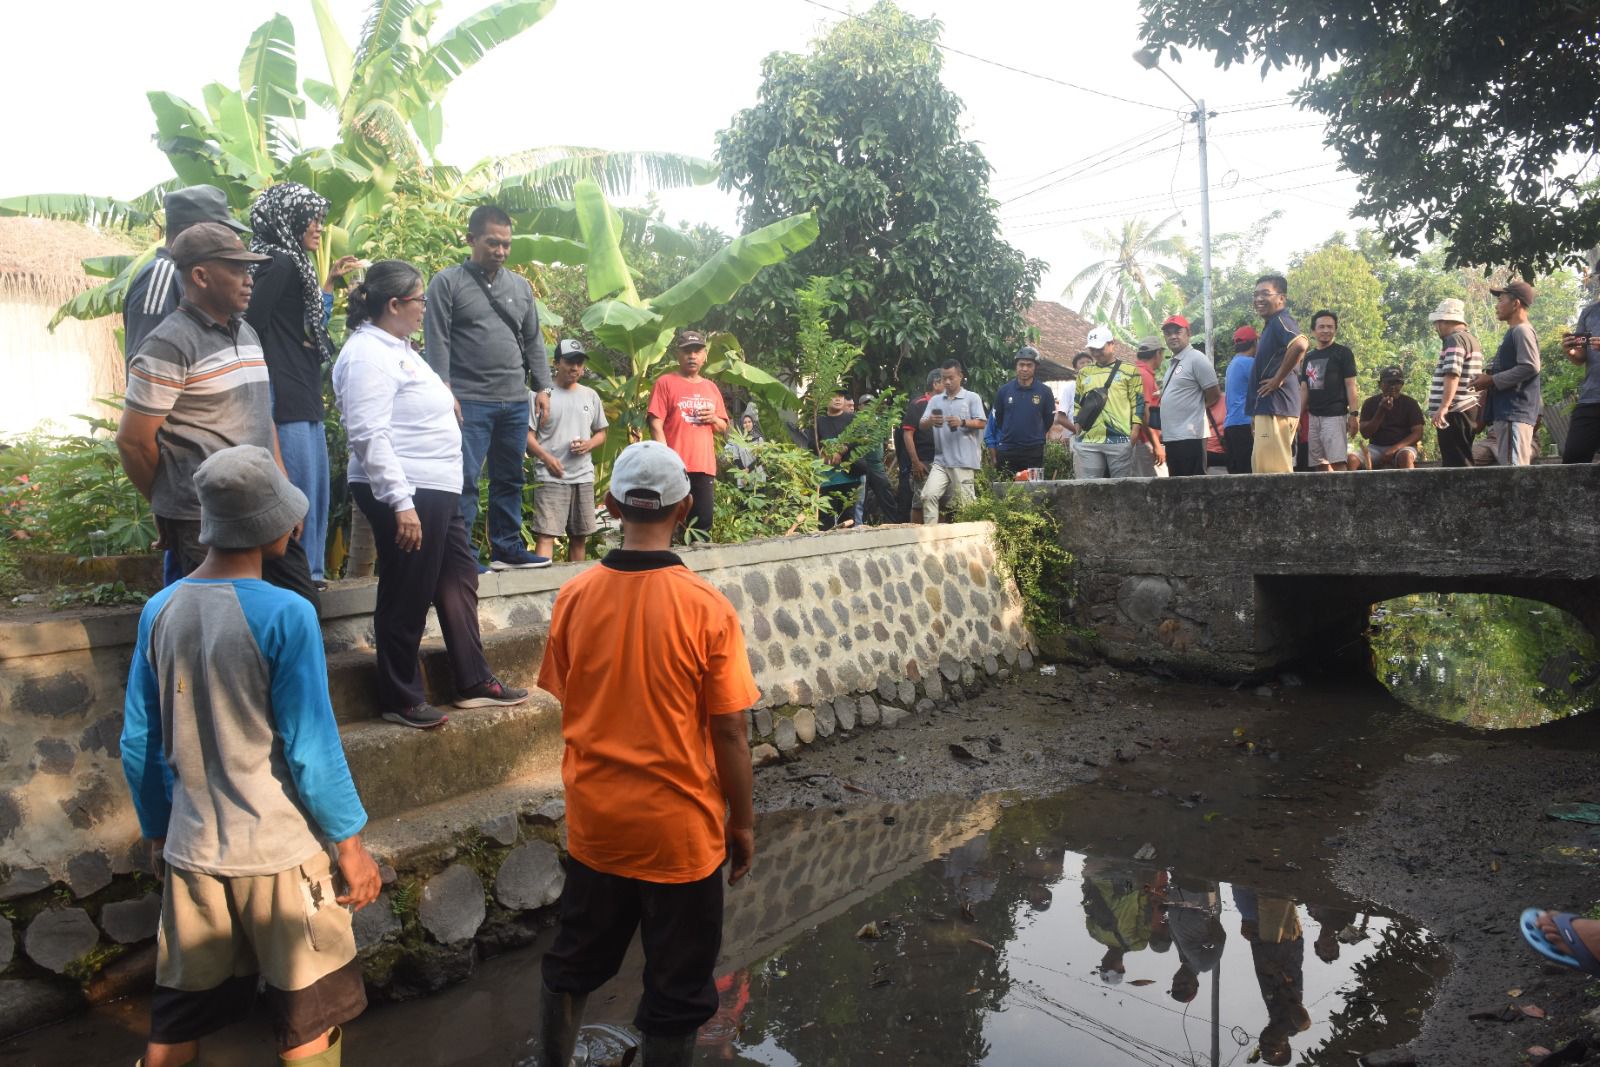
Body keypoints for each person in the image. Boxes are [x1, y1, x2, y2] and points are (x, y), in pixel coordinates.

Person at [120, 444, 380, 1067]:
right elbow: (311, 746)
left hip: (193, 849)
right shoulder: (287, 613)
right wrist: (351, 846)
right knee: (305, 1023)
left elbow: (139, 742)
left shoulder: (160, 610)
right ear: (282, 527)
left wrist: (158, 832)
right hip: (280, 855)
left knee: (178, 1018)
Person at [534, 440, 758, 1067]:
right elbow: (731, 733)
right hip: (679, 834)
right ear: (684, 508)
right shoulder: (706, 607)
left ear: (607, 505)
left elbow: (566, 695)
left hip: (598, 825)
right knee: (678, 987)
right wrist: (740, 824)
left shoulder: (574, 597)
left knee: (572, 962)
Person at [333, 260, 529, 730]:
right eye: (419, 300)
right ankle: (399, 696)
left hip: (437, 488)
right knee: (409, 588)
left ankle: (473, 680)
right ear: (395, 304)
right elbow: (369, 434)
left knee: (458, 578)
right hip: (408, 488)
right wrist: (400, 502)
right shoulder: (365, 354)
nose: (425, 308)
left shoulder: (397, 347)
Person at [115, 223, 320, 608]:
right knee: (230, 623)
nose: (249, 280)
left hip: (265, 505)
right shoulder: (167, 345)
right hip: (209, 518)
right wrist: (167, 504)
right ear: (200, 276)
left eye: (250, 271)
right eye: (237, 270)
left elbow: (264, 418)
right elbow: (133, 441)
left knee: (302, 609)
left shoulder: (247, 334)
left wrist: (284, 491)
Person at [425, 204, 554, 569]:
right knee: (464, 479)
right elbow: (438, 341)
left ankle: (508, 547)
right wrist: (444, 390)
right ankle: (462, 553)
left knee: (509, 478)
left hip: (514, 401)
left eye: (506, 244)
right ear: (471, 239)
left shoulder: (520, 287)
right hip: (469, 400)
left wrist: (543, 388)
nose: (500, 251)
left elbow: (533, 341)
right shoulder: (447, 283)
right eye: (492, 243)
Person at [245, 182, 361, 585]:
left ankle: (308, 573)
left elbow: (304, 326)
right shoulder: (278, 263)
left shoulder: (295, 264)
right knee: (295, 493)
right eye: (310, 218)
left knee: (314, 492)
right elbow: (250, 325)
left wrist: (327, 285)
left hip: (303, 390)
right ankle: (295, 577)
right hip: (285, 391)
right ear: (288, 219)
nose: (318, 227)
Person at [124, 186, 249, 359]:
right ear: (196, 229)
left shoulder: (197, 273)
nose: (228, 237)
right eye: (220, 230)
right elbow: (149, 363)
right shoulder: (161, 275)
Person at [526, 340, 608, 563]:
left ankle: (577, 592)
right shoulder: (541, 395)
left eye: (579, 363)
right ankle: (542, 589)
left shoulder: (590, 395)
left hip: (582, 475)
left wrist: (589, 444)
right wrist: (546, 458)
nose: (574, 368)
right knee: (546, 535)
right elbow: (527, 436)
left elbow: (602, 432)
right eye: (569, 362)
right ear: (557, 363)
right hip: (550, 475)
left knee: (579, 537)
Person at [648, 329, 729, 540]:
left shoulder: (711, 387)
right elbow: (655, 424)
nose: (692, 356)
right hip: (674, 468)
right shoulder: (665, 383)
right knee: (670, 526)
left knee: (701, 528)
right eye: (687, 351)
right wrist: (667, 460)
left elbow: (722, 426)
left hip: (704, 468)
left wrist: (713, 418)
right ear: (678, 354)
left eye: (697, 351)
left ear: (705, 355)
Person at [1470, 280, 1542, 466]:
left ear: (1516, 303)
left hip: (1514, 412)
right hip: (1507, 413)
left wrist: (1492, 379)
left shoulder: (1522, 331)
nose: (1497, 306)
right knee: (1509, 469)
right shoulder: (1513, 332)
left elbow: (1530, 366)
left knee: (1514, 472)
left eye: (1501, 300)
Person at [1248, 275, 1309, 474]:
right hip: (1270, 408)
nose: (1259, 299)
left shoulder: (1281, 320)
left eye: (1265, 293)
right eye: (1256, 294)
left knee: (1272, 476)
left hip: (1276, 407)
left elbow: (1301, 344)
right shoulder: (1271, 326)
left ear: (1281, 298)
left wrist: (1277, 379)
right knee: (1263, 470)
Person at [1070, 327, 1144, 480]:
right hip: (1088, 441)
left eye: (1100, 348)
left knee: (1121, 488)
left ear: (1112, 344)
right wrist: (1077, 428)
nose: (1096, 353)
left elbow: (1138, 403)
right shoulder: (1084, 373)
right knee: (1091, 488)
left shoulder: (1129, 370)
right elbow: (1078, 403)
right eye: (1092, 349)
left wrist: (1134, 433)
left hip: (1119, 439)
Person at [919, 359, 986, 522]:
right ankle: (930, 537)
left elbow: (982, 422)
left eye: (951, 377)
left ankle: (970, 540)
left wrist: (962, 422)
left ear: (960, 376)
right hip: (940, 461)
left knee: (966, 505)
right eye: (944, 378)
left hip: (963, 461)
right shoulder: (935, 400)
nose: (947, 381)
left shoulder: (972, 398)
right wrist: (930, 421)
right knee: (928, 495)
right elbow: (921, 424)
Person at [1154, 315, 1220, 478]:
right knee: (1177, 484)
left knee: (1194, 484)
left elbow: (1214, 393)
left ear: (1188, 333)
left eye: (1177, 331)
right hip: (1173, 436)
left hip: (1191, 435)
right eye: (1168, 333)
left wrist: (1196, 409)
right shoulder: (1174, 362)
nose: (1173, 336)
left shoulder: (1197, 359)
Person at [1424, 298, 1485, 467]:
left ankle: (1461, 493)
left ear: (1445, 321)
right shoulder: (1471, 339)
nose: (1436, 328)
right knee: (1461, 457)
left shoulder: (1454, 340)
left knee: (1456, 462)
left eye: (1437, 323)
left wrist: (1444, 407)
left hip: (1456, 409)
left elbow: (1452, 374)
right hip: (1467, 407)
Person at [1298, 310, 1359, 472]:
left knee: (1338, 462)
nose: (1326, 330)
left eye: (1330, 327)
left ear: (1335, 330)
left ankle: (1344, 496)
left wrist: (1354, 415)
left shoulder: (1343, 353)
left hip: (1334, 415)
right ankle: (1327, 497)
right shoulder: (1308, 357)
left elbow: (1351, 385)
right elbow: (1304, 389)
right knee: (1320, 463)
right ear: (1313, 330)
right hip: (1313, 416)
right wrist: (1298, 416)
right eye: (1322, 326)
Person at [991, 346, 1057, 475]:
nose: (1025, 368)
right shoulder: (1004, 391)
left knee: (1035, 490)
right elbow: (999, 418)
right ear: (1016, 366)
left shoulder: (1045, 391)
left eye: (1029, 365)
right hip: (1007, 448)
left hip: (1034, 450)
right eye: (1021, 364)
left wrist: (1035, 434)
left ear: (1035, 367)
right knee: (1006, 489)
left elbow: (1048, 419)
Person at [1559, 293, 1600, 463]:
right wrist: (1571, 352)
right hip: (1591, 398)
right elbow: (1580, 358)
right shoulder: (1589, 312)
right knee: (1573, 461)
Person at [1357, 366, 1425, 469]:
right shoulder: (1370, 403)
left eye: (1397, 383)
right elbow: (1365, 434)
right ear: (1380, 385)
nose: (1393, 387)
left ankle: (1410, 485)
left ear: (1402, 384)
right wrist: (1381, 410)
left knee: (1405, 457)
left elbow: (1418, 433)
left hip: (1403, 447)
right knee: (1352, 459)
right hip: (1375, 447)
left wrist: (1394, 449)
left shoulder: (1410, 403)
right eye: (1389, 383)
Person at [898, 370, 941, 524]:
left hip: (944, 462)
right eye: (945, 380)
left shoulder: (946, 403)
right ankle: (916, 537)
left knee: (942, 503)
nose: (949, 383)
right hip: (924, 461)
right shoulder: (919, 404)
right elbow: (907, 434)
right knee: (920, 502)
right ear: (936, 384)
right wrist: (916, 462)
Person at [1222, 326, 1258, 473]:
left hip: (1230, 424)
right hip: (1245, 423)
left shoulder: (1232, 364)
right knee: (1248, 472)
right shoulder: (1250, 363)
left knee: (1236, 474)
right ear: (1255, 343)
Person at [1132, 339, 1166, 476]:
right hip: (1144, 440)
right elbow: (1144, 413)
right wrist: (1156, 445)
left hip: (1143, 439)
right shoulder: (1143, 375)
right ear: (1158, 353)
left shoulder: (1135, 371)